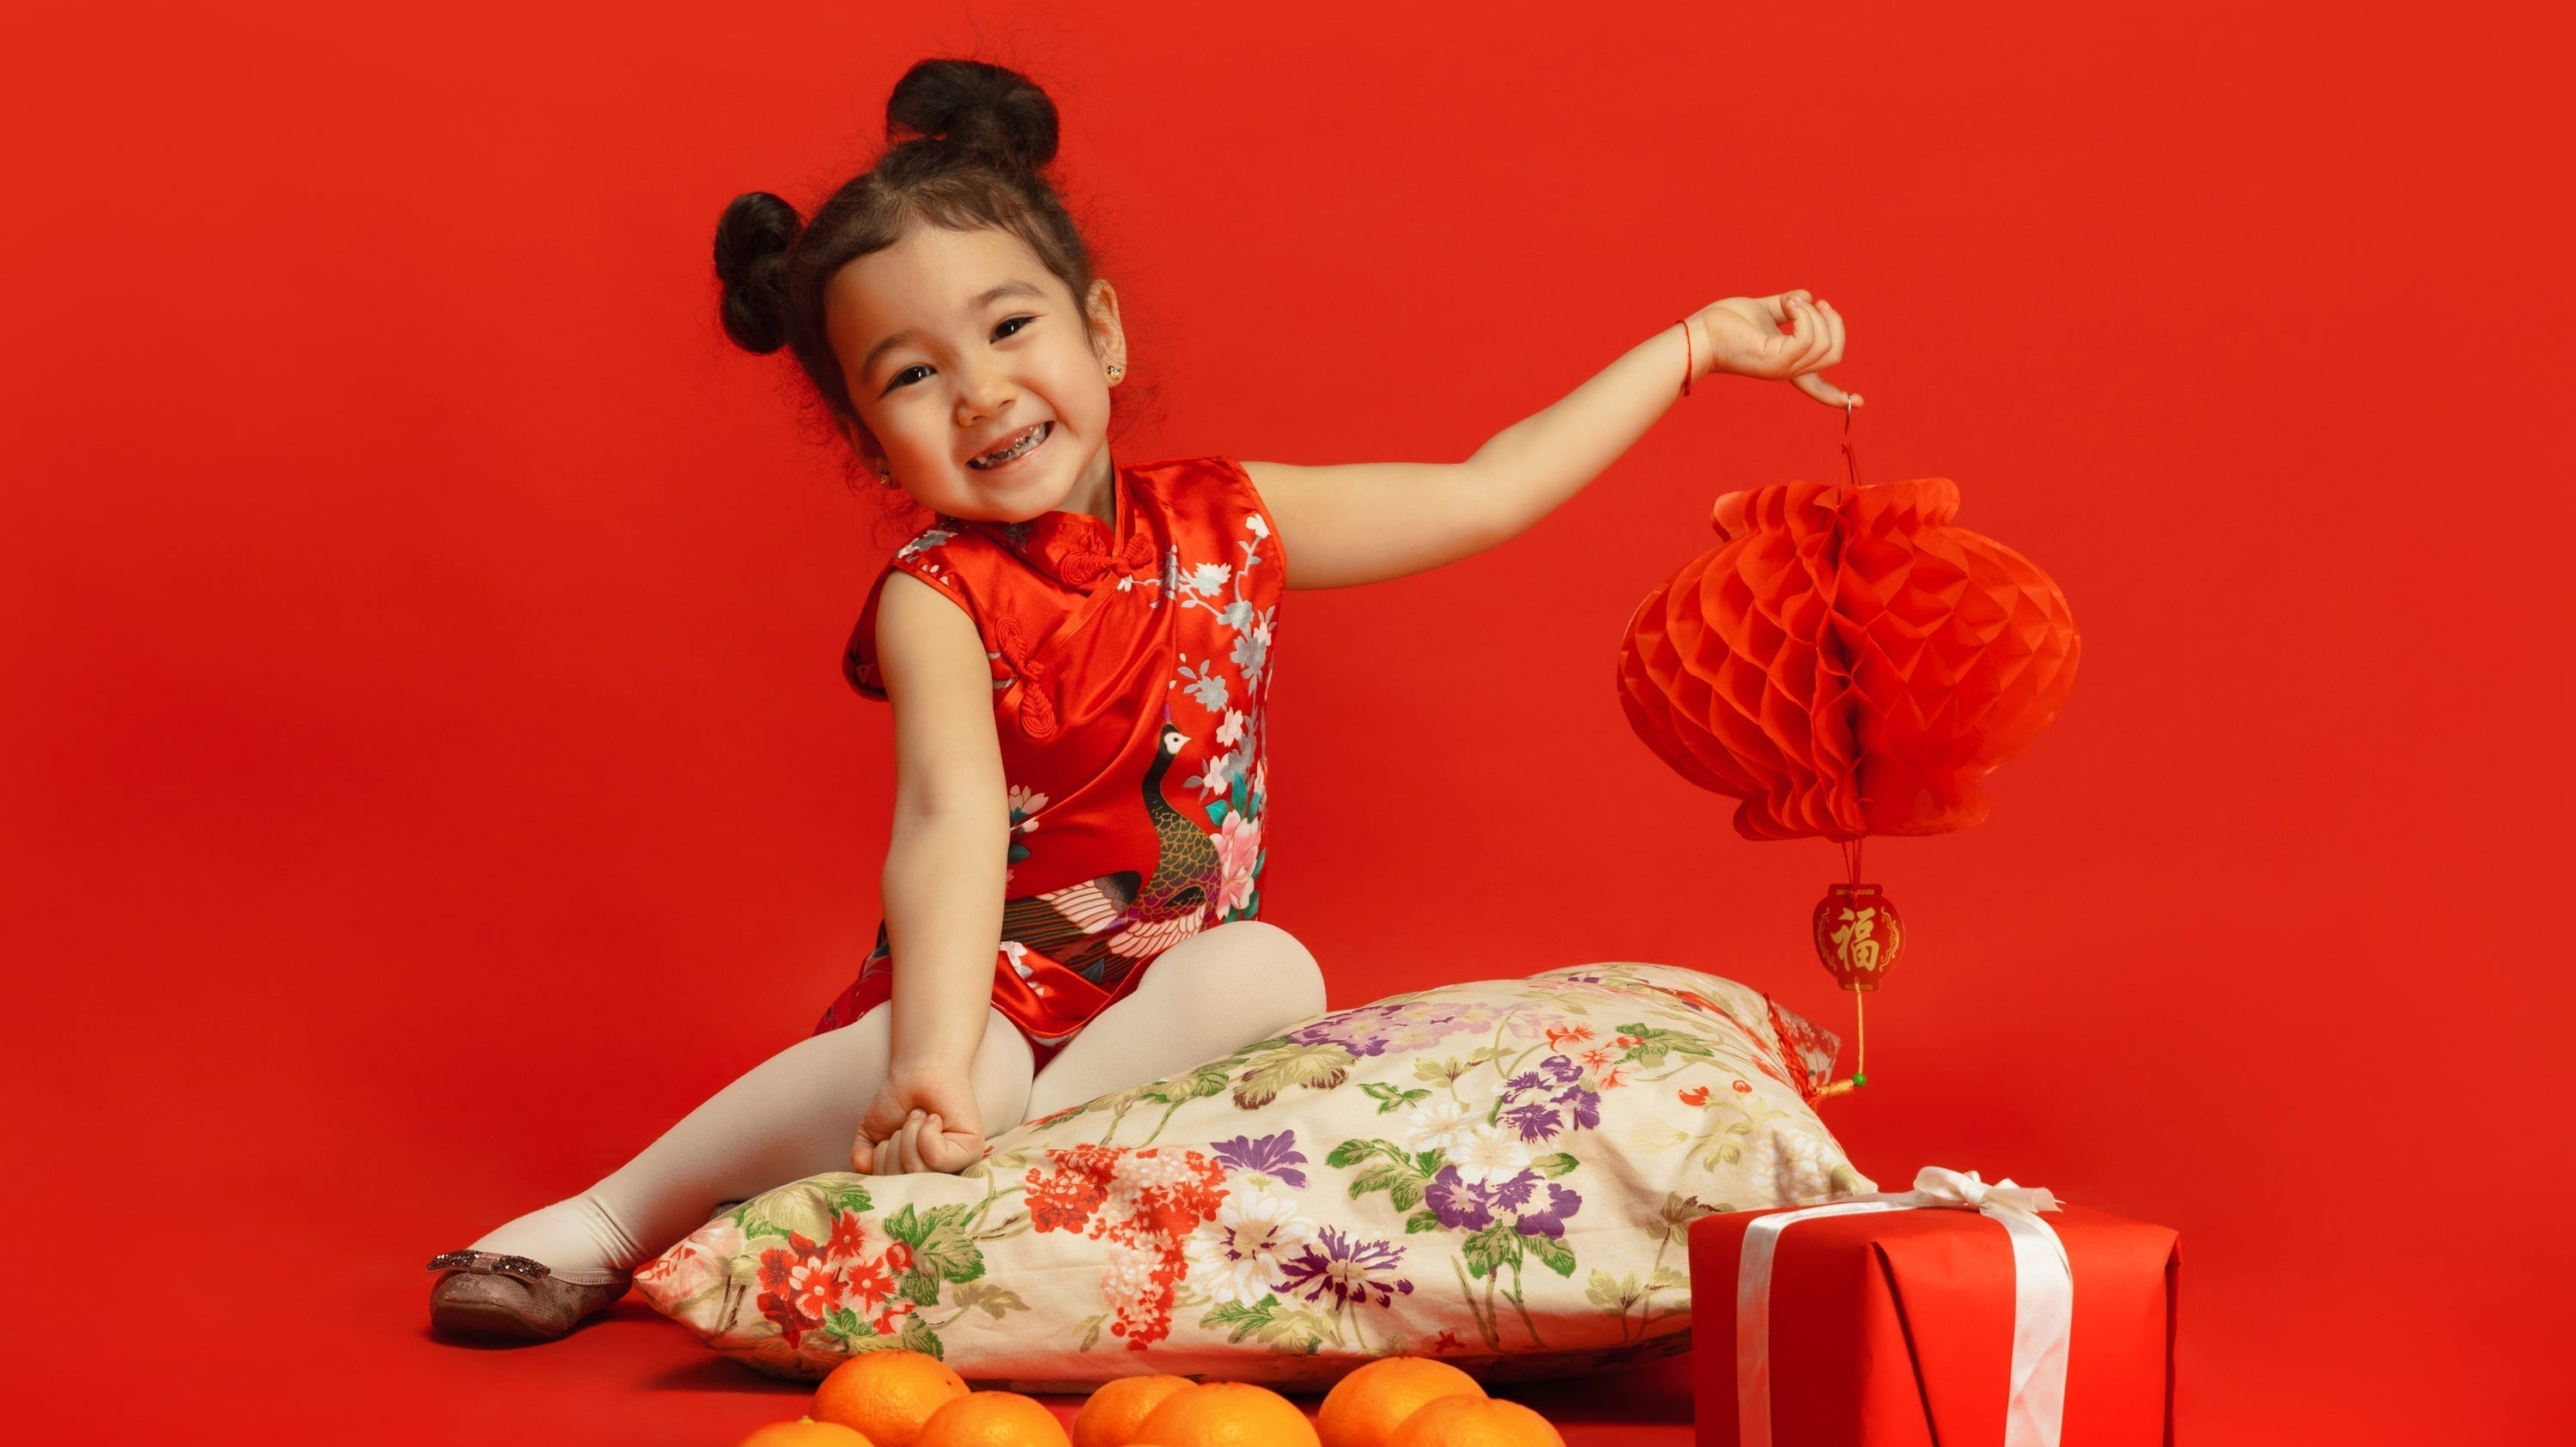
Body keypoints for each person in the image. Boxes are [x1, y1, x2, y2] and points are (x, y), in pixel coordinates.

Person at [426, 56, 1855, 1342]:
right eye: (913, 376)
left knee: (1274, 967)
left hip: (1168, 999)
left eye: (1007, 329)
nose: (980, 392)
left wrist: (1694, 347)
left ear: (1100, 332)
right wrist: (926, 1055)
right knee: (970, 1056)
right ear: (874, 446)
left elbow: (1485, 492)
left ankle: (985, 1185)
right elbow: (949, 820)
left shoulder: (1234, 518)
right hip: (984, 979)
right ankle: (615, 1217)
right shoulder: (941, 593)